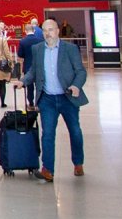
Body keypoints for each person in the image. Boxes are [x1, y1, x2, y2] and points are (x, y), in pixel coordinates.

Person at [16, 18, 88, 183]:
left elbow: (81, 71)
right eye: (45, 30)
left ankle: (78, 162)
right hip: (47, 99)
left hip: (67, 97)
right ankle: (48, 169)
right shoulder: (37, 49)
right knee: (47, 133)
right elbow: (33, 71)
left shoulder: (70, 49)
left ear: (57, 31)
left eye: (51, 30)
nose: (48, 33)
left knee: (75, 131)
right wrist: (23, 81)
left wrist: (76, 86)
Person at [18, 19, 45, 107]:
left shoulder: (23, 41)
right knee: (39, 85)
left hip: (28, 66)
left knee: (29, 86)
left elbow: (20, 54)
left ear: (25, 31)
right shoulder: (40, 41)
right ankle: (39, 101)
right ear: (34, 30)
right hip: (39, 66)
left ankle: (31, 102)